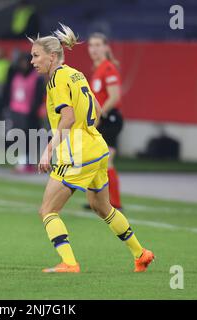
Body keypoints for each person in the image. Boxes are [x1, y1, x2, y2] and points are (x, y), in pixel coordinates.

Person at [29, 23, 154, 273]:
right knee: (102, 207)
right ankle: (141, 254)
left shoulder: (56, 80)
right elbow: (96, 109)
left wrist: (49, 150)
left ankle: (69, 263)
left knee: (47, 210)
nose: (32, 61)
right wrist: (87, 133)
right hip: (96, 147)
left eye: (35, 55)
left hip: (76, 152)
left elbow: (67, 116)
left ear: (52, 56)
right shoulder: (77, 74)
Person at [82, 32, 124, 210]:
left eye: (98, 45)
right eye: (91, 45)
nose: (94, 49)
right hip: (103, 119)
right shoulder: (98, 69)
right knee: (98, 160)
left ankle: (113, 202)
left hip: (109, 119)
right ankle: (100, 201)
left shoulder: (108, 69)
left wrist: (97, 117)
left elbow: (114, 97)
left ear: (106, 47)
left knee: (104, 160)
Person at [4, 52, 45, 173]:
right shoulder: (16, 76)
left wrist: (33, 110)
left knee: (29, 138)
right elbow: (9, 90)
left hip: (29, 112)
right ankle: (22, 162)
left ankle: (28, 163)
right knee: (19, 137)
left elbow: (38, 96)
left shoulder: (36, 77)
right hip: (16, 110)